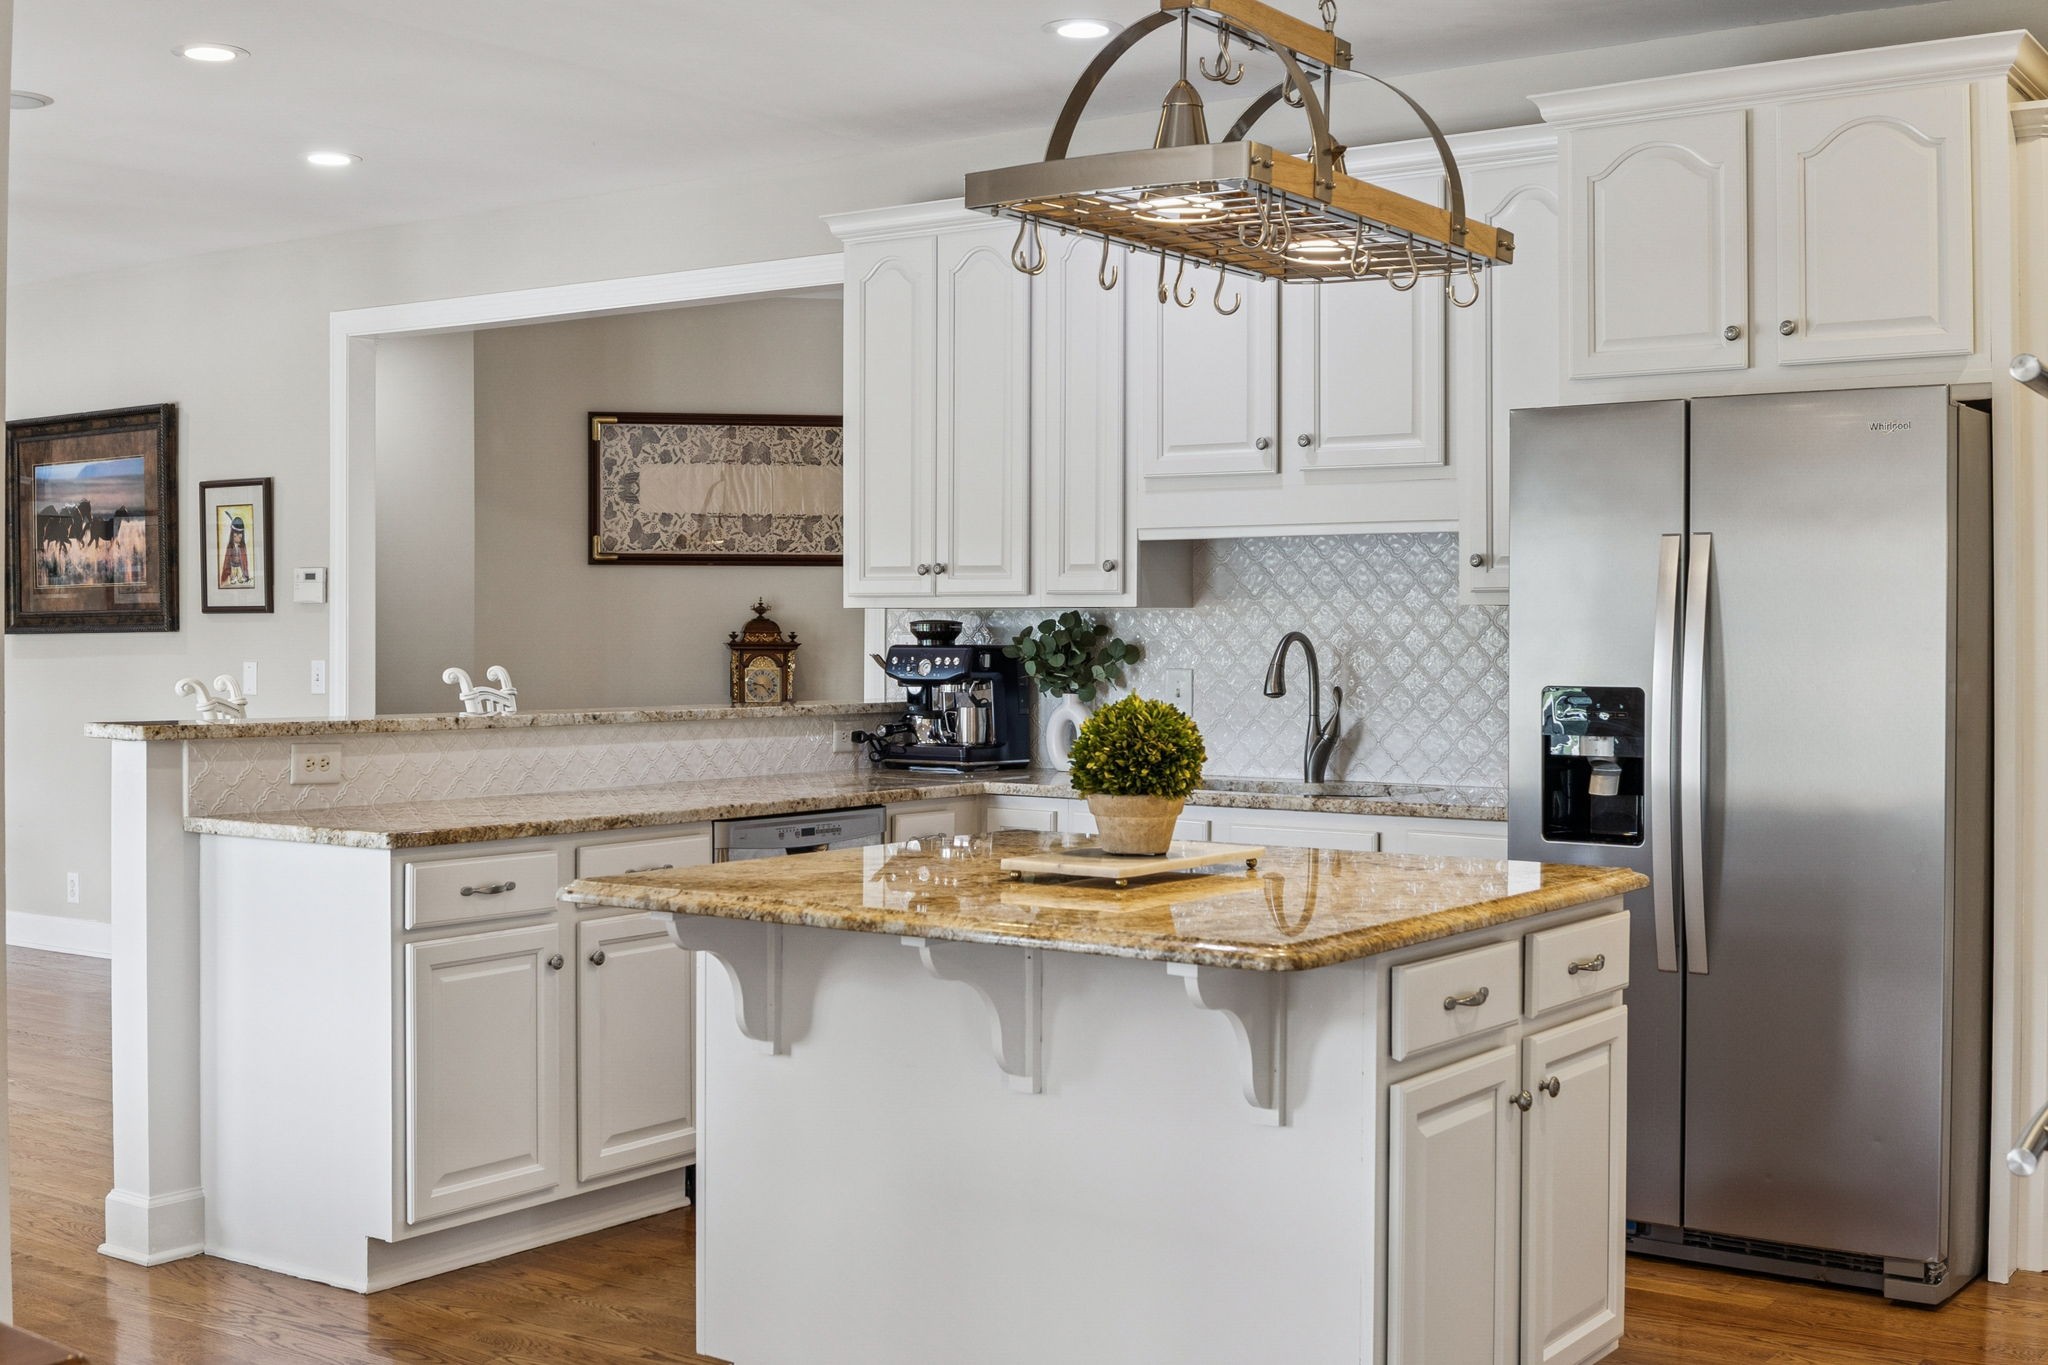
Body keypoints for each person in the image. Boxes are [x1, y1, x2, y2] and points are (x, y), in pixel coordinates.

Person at [220, 514, 251, 587]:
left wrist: (246, 574)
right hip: (232, 565)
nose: (237, 538)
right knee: (233, 576)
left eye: (240, 537)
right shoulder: (230, 546)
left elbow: (244, 561)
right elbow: (227, 560)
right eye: (234, 536)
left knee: (240, 577)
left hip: (239, 566)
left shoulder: (243, 546)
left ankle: (241, 577)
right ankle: (233, 578)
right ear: (232, 535)